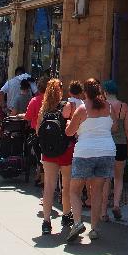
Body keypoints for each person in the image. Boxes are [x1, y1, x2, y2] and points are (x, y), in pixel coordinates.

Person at [64, 78, 116, 242]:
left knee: (74, 190)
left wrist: (68, 123)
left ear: (85, 93)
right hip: (106, 151)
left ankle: (78, 222)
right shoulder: (109, 107)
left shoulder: (82, 109)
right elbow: (115, 127)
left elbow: (69, 132)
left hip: (85, 152)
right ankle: (94, 228)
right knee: (97, 191)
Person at [36, 78, 74, 235]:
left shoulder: (43, 110)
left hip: (48, 152)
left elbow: (38, 131)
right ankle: (66, 214)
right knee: (66, 186)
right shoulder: (66, 106)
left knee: (49, 186)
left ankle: (46, 221)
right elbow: (70, 129)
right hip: (65, 150)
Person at [101, 79, 128, 222]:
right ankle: (116, 205)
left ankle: (103, 212)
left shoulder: (103, 106)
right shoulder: (124, 106)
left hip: (106, 144)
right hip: (121, 144)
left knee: (106, 179)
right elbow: (127, 129)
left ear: (105, 92)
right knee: (119, 178)